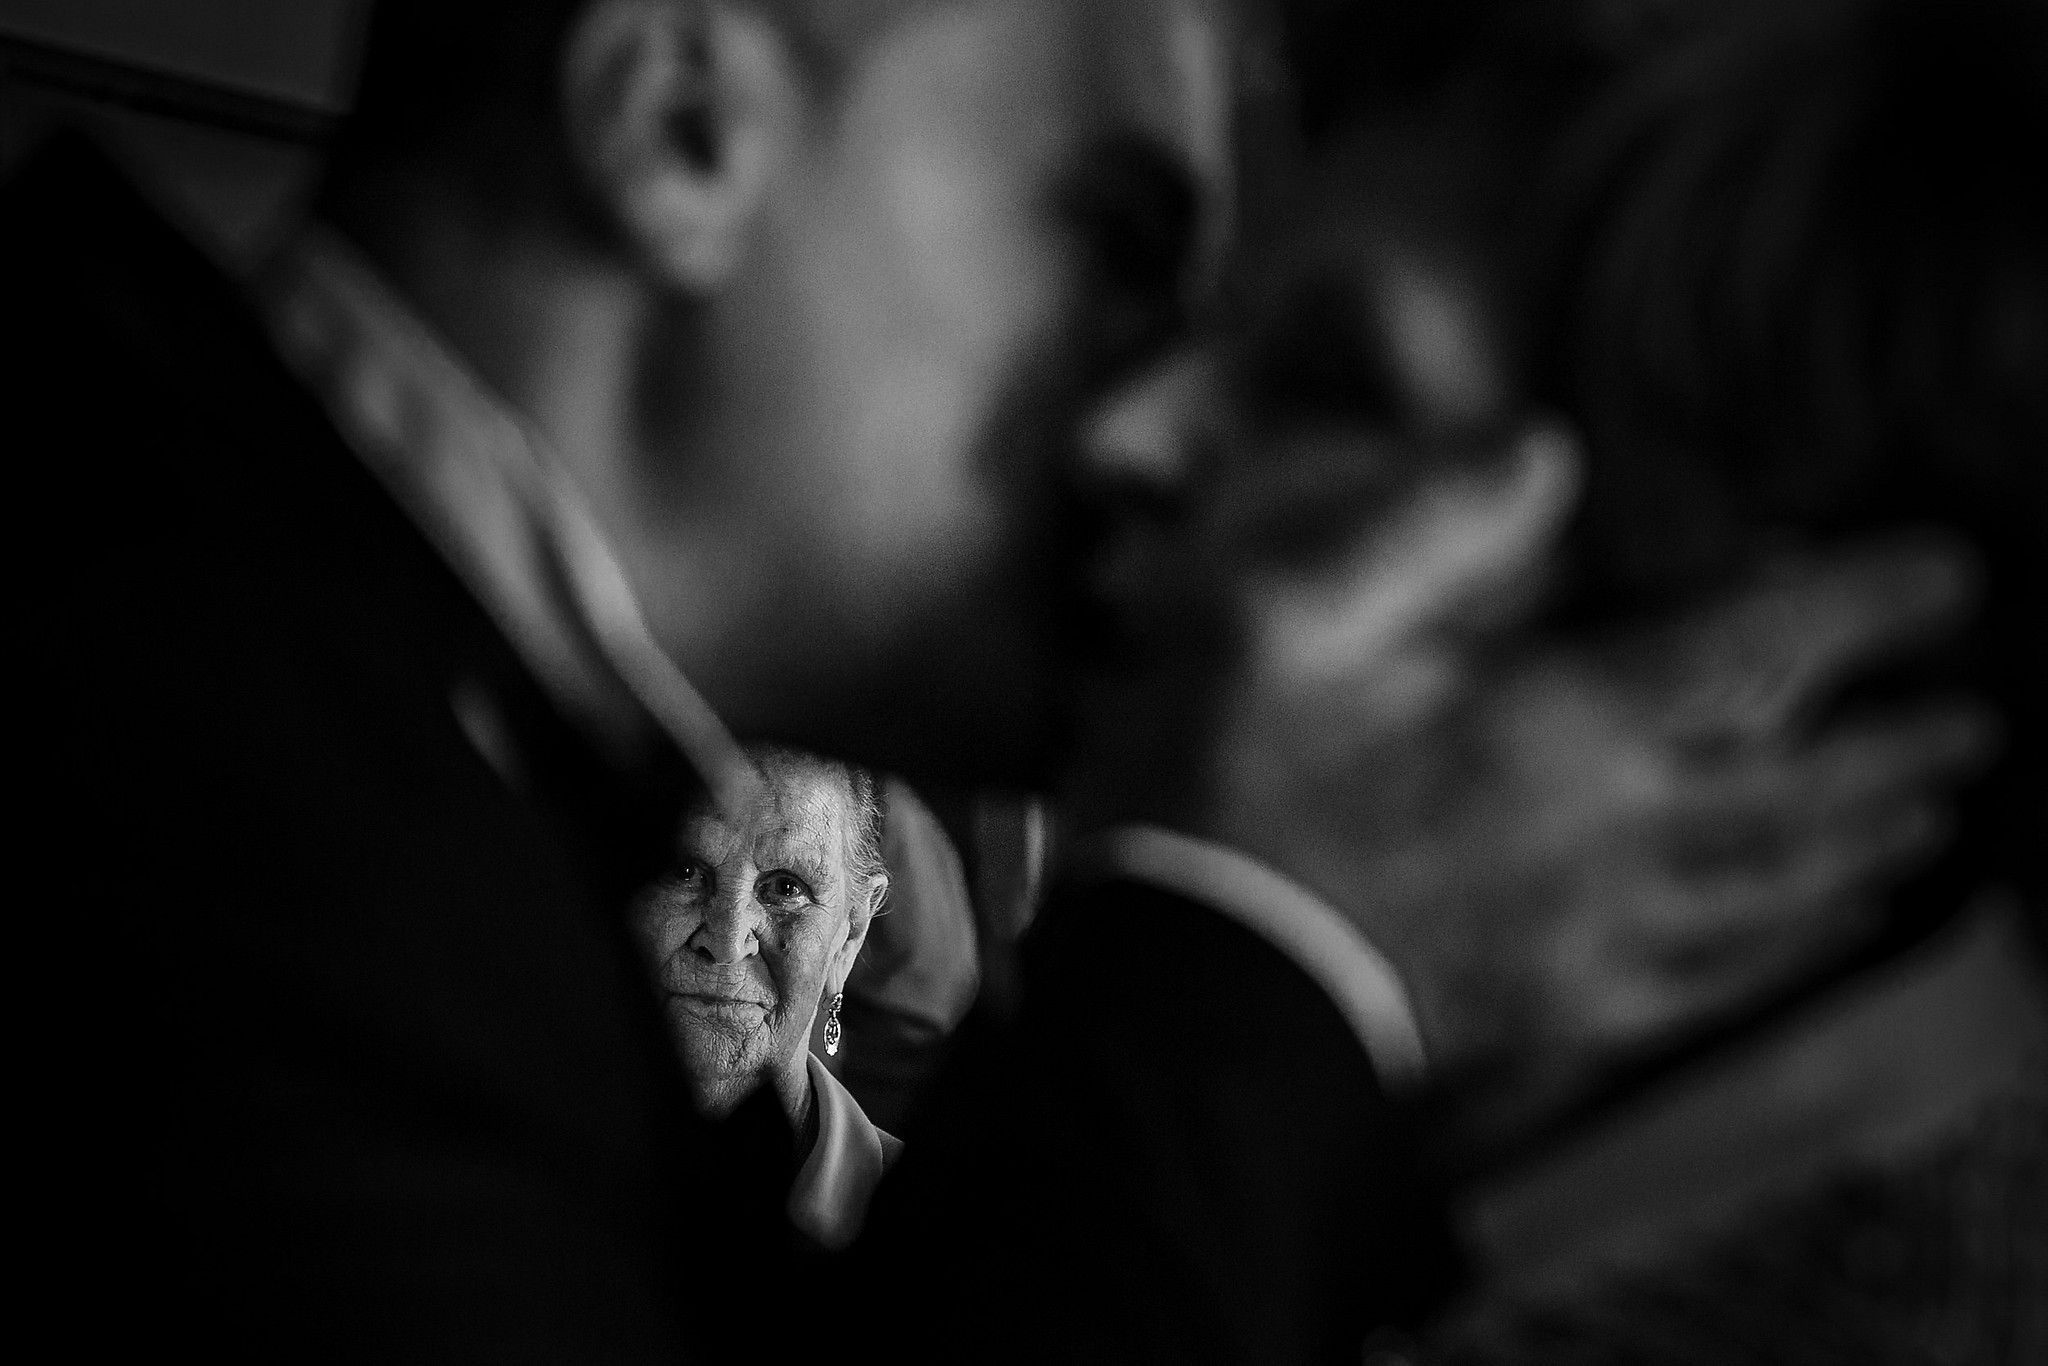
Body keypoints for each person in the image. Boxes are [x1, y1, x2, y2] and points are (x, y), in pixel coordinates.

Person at [2, 0, 1996, 1359]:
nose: (1131, 427)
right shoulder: (210, 776)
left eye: (1298, 369)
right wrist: (1258, 959)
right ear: (683, 125)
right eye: (1115, 247)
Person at [632, 745, 901, 1251]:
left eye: (785, 887)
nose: (729, 942)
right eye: (685, 872)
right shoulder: (484, 1171)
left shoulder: (934, 1232)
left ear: (850, 936)